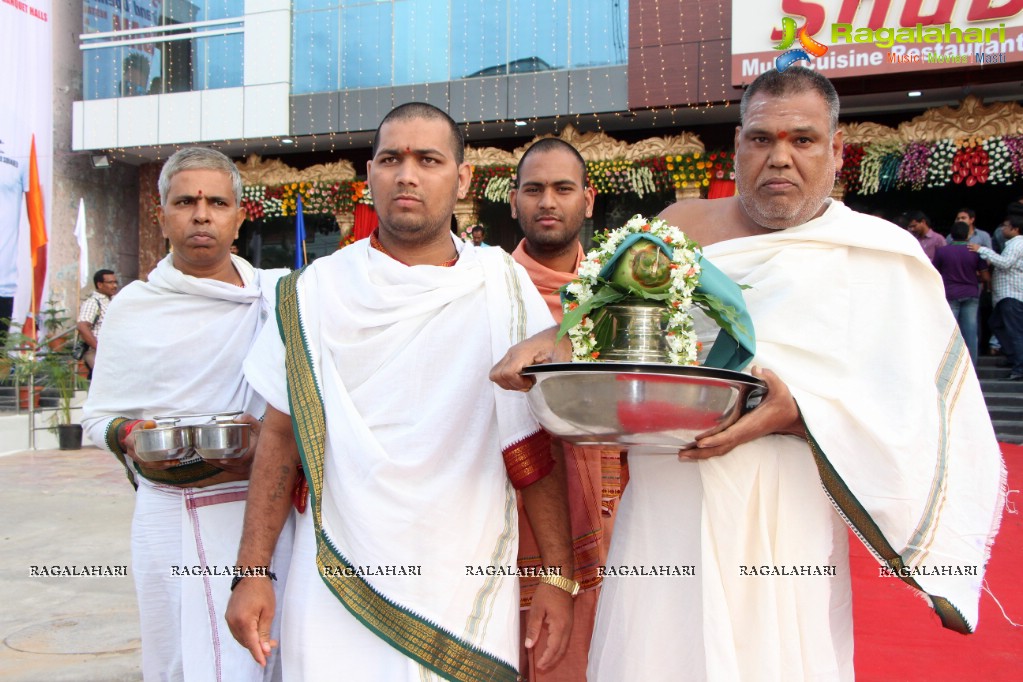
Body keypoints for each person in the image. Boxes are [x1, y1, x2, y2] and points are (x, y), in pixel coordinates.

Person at [493, 67, 1003, 681]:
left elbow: (919, 413)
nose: (779, 158)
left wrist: (800, 413)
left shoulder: (878, 256)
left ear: (837, 153)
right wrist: (551, 343)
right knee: (660, 653)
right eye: (761, 139)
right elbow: (610, 321)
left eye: (802, 140)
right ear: (737, 147)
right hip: (669, 494)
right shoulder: (681, 227)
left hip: (788, 515)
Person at [226, 102, 574, 681]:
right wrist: (252, 570)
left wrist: (557, 577)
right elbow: (280, 438)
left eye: (428, 159)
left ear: (462, 178)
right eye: (391, 159)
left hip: (464, 570)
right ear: (370, 175)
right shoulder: (315, 291)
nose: (406, 175)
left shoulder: (499, 282)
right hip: (339, 569)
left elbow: (531, 441)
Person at [82, 147, 293, 681]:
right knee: (181, 655)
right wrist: (130, 435)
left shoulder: (279, 297)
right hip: (170, 510)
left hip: (264, 510)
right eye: (186, 201)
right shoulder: (134, 305)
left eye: (217, 201)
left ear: (240, 216)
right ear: (162, 216)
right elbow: (98, 416)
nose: (202, 214)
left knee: (272, 652)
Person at [508, 137, 625, 681]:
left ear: (589, 199)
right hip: (507, 509)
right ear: (513, 202)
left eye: (562, 188)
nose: (547, 202)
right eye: (533, 189)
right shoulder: (484, 288)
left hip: (610, 508)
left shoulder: (626, 293)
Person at [970, 214, 1023, 380]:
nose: (1002, 228)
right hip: (1005, 295)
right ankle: (1014, 358)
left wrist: (982, 250)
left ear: (1015, 229)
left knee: (1014, 331)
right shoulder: (1013, 244)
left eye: (1006, 226)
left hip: (1012, 295)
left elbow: (1005, 263)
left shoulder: (1017, 244)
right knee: (996, 324)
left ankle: (1019, 367)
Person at [933, 221, 988, 363]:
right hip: (970, 293)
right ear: (968, 235)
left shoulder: (942, 252)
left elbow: (935, 273)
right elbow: (985, 276)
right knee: (970, 332)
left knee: (949, 331)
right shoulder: (975, 252)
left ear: (951, 235)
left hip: (950, 294)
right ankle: (971, 367)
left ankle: (948, 364)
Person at [76, 268, 118, 373]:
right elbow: (82, 326)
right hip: (97, 352)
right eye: (110, 282)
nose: (114, 286)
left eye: (115, 282)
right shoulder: (93, 302)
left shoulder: (115, 300)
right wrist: (99, 347)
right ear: (99, 285)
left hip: (114, 351)